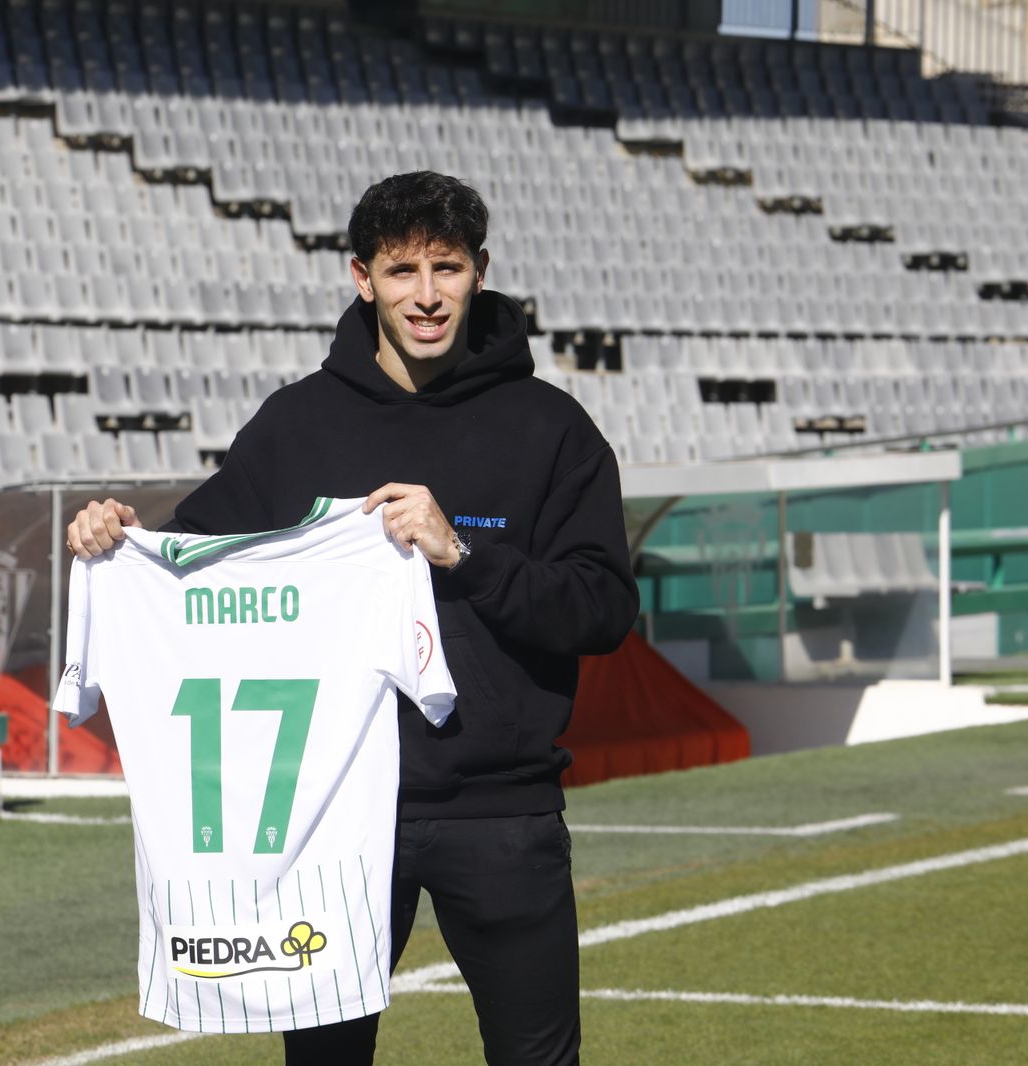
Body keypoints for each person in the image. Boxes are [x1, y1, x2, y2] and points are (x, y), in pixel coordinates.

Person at [66, 171, 638, 1065]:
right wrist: (120, 541)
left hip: (502, 810)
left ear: (479, 273)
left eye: (446, 268)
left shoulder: (552, 429)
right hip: (328, 818)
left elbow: (603, 608)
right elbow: (196, 567)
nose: (426, 294)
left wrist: (464, 555)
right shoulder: (296, 426)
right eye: (402, 269)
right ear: (360, 277)